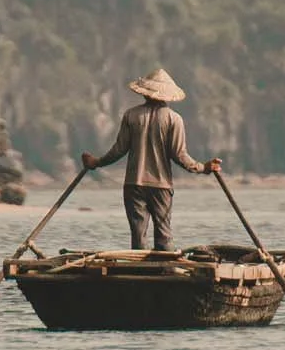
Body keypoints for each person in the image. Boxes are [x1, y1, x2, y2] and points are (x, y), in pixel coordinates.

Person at [82, 67, 221, 252]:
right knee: (164, 235)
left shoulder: (131, 115)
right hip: (161, 186)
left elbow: (118, 150)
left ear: (145, 93)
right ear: (165, 95)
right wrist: (203, 168)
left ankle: (140, 272)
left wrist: (97, 162)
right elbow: (179, 155)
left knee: (138, 236)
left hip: (134, 185)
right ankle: (165, 271)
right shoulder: (174, 119)